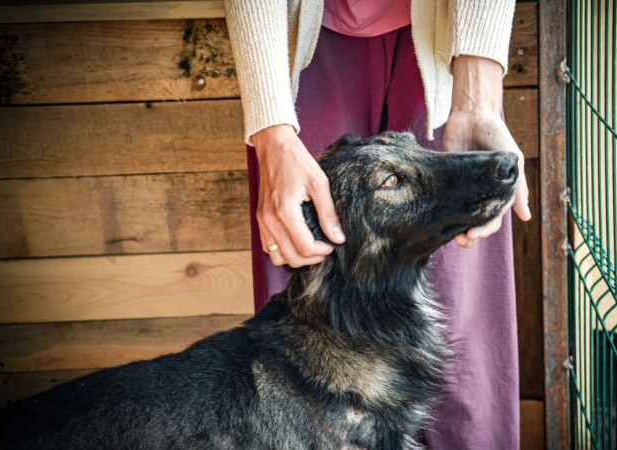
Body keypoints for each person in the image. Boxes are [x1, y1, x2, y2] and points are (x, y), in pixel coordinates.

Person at [223, 1, 530, 448]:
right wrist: (273, 132)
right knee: (305, 289)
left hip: (444, 30)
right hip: (300, 34)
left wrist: (478, 98)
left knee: (466, 335)